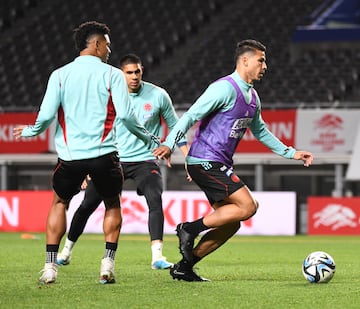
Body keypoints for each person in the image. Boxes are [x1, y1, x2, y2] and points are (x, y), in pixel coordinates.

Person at [153, 39, 314, 282]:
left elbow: (260, 131)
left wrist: (291, 152)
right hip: (204, 160)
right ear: (245, 60)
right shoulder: (224, 88)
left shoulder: (252, 97)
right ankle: (189, 228)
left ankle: (184, 267)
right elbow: (190, 116)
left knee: (232, 223)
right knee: (248, 207)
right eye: (261, 60)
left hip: (219, 164)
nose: (265, 66)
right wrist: (169, 143)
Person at [13, 22, 159, 285]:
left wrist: (30, 131)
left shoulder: (59, 75)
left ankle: (49, 267)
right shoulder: (113, 75)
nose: (109, 50)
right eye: (107, 44)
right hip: (104, 155)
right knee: (112, 203)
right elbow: (126, 116)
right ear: (96, 44)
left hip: (71, 156)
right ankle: (107, 265)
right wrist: (149, 137)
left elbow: (46, 117)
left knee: (59, 202)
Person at [57, 53, 189, 270]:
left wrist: (186, 156)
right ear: (121, 74)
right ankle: (66, 251)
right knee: (87, 205)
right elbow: (93, 130)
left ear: (142, 71)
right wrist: (86, 167)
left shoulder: (158, 95)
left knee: (154, 197)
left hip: (145, 161)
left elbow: (176, 126)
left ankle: (157, 256)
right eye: (129, 73)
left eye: (137, 71)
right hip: (112, 160)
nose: (134, 76)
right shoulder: (109, 96)